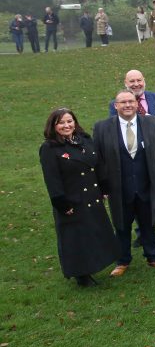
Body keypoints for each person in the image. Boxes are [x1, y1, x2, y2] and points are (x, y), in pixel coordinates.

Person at [93, 90, 155, 276]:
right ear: (116, 106)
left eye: (131, 101)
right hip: (119, 186)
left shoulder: (152, 122)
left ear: (137, 104)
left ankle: (153, 257)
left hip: (146, 184)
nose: (127, 105)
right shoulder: (102, 127)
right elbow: (99, 159)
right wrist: (104, 185)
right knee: (121, 224)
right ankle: (122, 261)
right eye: (123, 102)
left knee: (148, 223)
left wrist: (154, 175)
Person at [39, 108, 120, 286]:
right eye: (61, 123)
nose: (66, 125)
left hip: (92, 196)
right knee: (77, 238)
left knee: (94, 233)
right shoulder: (50, 148)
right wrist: (61, 203)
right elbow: (52, 179)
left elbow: (97, 163)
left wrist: (104, 186)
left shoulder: (85, 140)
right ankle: (81, 274)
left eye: (70, 121)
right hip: (71, 200)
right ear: (53, 126)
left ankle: (94, 265)